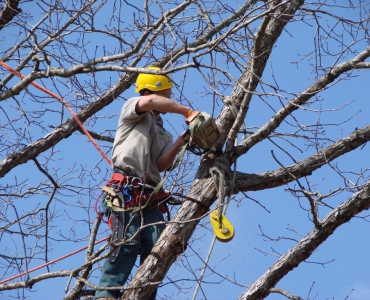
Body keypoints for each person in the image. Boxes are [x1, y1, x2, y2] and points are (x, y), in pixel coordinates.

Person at [95, 66, 194, 300]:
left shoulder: (162, 131)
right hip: (126, 191)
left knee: (156, 250)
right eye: (166, 96)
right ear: (152, 91)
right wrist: (187, 111)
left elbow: (160, 165)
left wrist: (181, 140)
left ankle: (145, 296)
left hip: (150, 197)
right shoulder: (133, 108)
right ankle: (106, 295)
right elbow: (148, 101)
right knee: (126, 244)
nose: (168, 101)